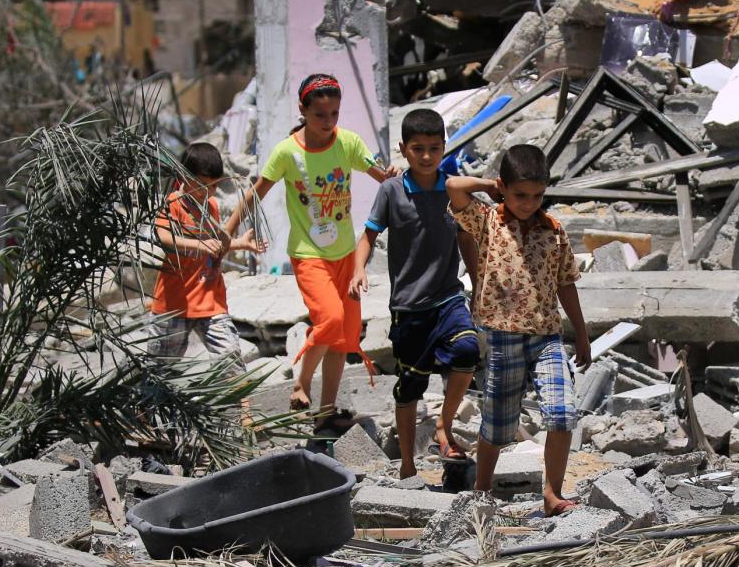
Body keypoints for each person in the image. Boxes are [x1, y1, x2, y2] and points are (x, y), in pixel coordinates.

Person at [222, 73, 396, 421]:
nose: (328, 122)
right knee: (330, 320)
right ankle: (301, 382)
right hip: (309, 255)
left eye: (334, 114)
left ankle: (326, 412)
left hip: (347, 256)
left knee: (342, 340)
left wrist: (394, 175)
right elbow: (256, 192)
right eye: (320, 115)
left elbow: (385, 180)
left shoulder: (347, 143)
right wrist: (227, 231)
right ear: (302, 110)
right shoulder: (287, 152)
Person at [446, 144, 591, 516]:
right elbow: (453, 186)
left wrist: (581, 333)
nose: (529, 203)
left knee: (562, 414)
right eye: (520, 194)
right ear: (503, 188)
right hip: (503, 337)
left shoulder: (553, 231)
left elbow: (565, 283)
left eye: (537, 195)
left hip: (547, 337)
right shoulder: (487, 221)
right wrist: (489, 186)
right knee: (498, 425)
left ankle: (552, 494)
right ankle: (481, 492)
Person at [351, 108, 479, 478]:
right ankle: (407, 464)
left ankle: (444, 425)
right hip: (408, 308)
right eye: (418, 148)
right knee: (409, 388)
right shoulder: (391, 191)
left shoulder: (453, 189)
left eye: (434, 148)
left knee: (468, 350)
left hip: (448, 297)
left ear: (444, 148)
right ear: (403, 148)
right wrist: (359, 268)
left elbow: (466, 239)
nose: (426, 156)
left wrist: (478, 282)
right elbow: (369, 235)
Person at [148, 143, 266, 390]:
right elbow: (165, 238)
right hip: (173, 305)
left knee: (230, 357)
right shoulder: (173, 203)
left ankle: (243, 409)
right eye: (202, 184)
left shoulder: (210, 206)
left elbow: (213, 246)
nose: (208, 192)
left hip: (210, 302)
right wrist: (201, 245)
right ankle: (146, 411)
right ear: (183, 176)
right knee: (158, 373)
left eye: (214, 186)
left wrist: (240, 244)